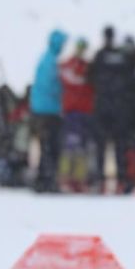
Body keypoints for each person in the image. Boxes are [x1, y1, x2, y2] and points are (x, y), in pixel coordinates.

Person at [89, 26, 135, 193]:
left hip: (104, 107)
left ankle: (101, 182)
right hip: (120, 108)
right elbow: (134, 76)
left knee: (102, 148)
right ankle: (121, 181)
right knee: (120, 147)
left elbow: (90, 77)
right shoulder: (122, 56)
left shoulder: (100, 55)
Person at [29, 29, 66, 193]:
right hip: (49, 112)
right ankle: (47, 181)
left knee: (45, 147)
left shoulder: (46, 59)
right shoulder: (50, 62)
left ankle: (43, 180)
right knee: (51, 147)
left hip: (40, 110)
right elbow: (53, 87)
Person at [58, 38, 96, 192]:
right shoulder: (69, 66)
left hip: (84, 112)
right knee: (70, 147)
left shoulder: (87, 67)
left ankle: (79, 179)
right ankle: (66, 178)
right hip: (73, 112)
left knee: (81, 148)